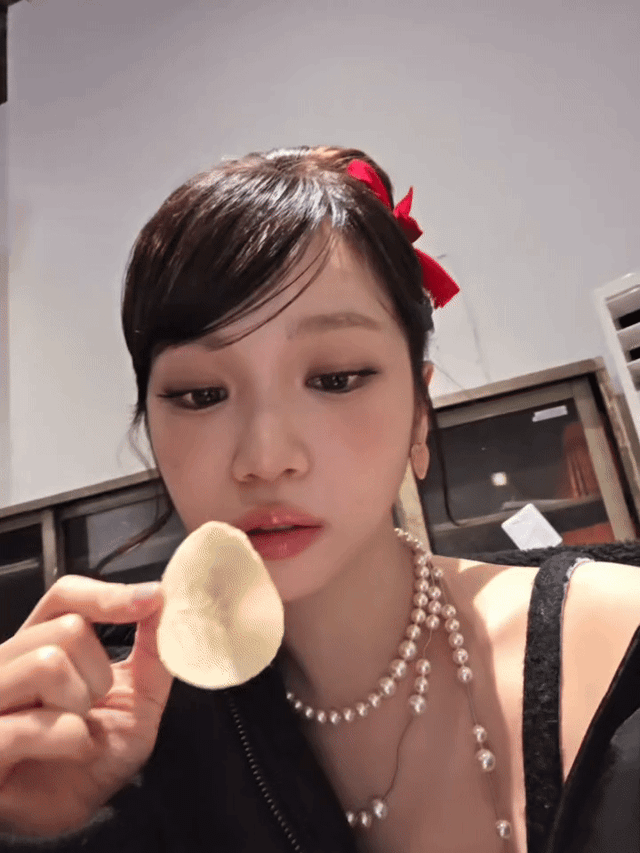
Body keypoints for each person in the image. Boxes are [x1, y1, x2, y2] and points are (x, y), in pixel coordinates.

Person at [1, 145, 640, 853]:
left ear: (419, 412)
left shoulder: (619, 646)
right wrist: (56, 826)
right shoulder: (138, 734)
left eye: (336, 379)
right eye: (201, 394)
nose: (265, 458)